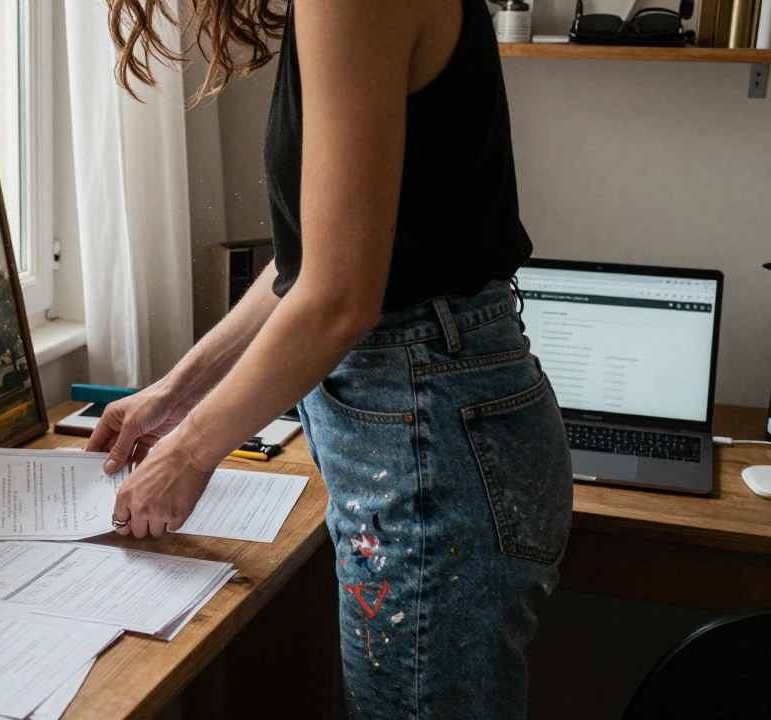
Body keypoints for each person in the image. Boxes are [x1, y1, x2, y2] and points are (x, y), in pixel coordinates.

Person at [87, 0, 573, 716]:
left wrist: (189, 454)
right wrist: (172, 394)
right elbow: (309, 265)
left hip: (433, 441)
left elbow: (341, 300)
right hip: (432, 426)